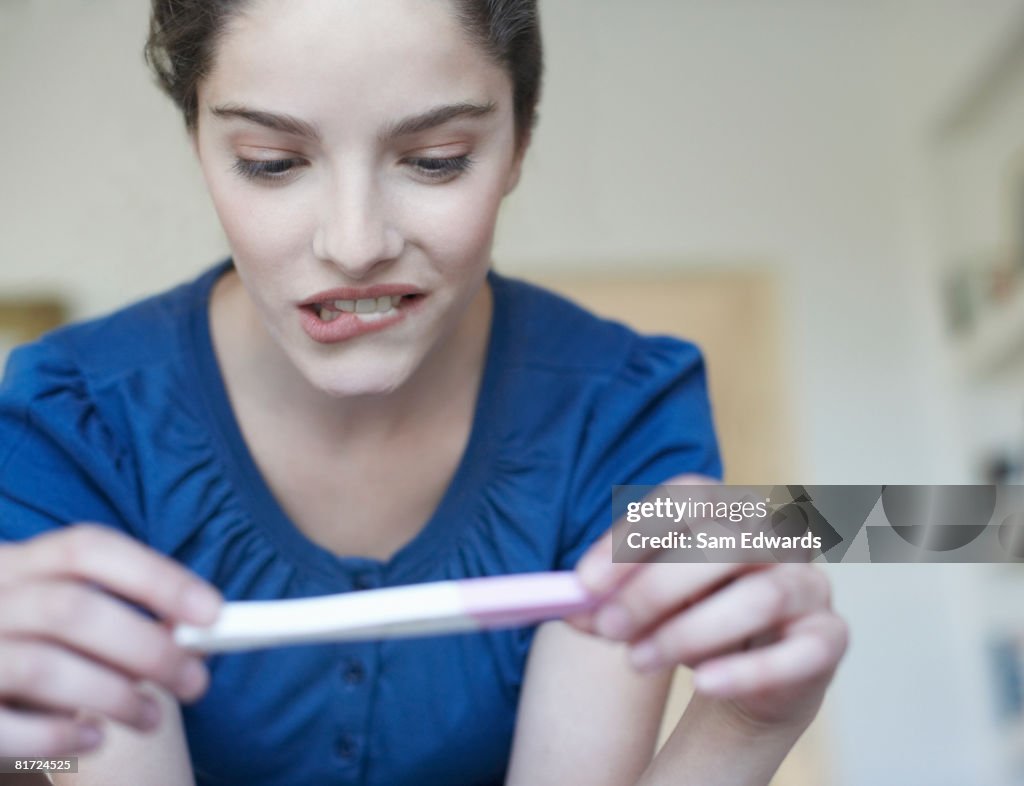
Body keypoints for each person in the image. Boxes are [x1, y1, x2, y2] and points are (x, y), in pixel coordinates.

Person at [0, 1, 848, 783]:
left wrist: (742, 726)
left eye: (436, 160)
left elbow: (946, 524)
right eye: (272, 163)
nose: (356, 243)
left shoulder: (628, 408)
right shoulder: (64, 420)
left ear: (519, 144)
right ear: (199, 146)